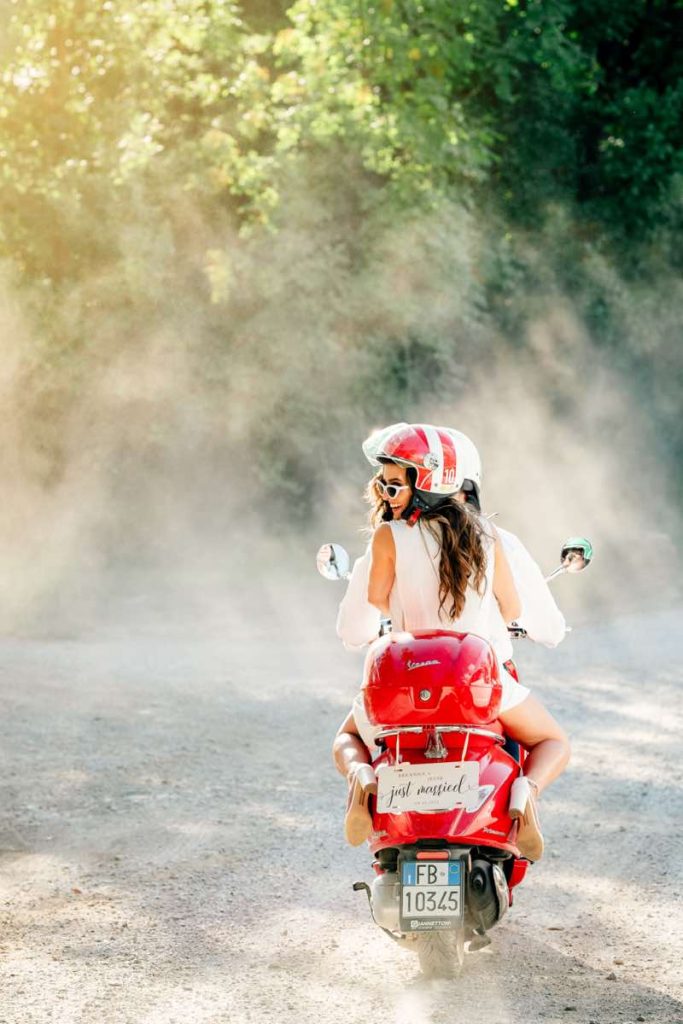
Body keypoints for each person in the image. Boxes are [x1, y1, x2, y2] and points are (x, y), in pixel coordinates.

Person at [332, 423, 570, 862]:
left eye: (392, 481)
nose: (384, 491)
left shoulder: (388, 537)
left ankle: (363, 778)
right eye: (383, 482)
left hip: (405, 686)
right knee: (553, 741)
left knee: (346, 739)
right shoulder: (489, 537)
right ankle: (525, 792)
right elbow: (515, 610)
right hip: (478, 684)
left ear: (424, 483)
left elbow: (368, 612)